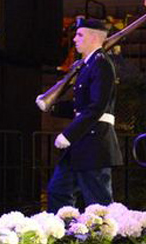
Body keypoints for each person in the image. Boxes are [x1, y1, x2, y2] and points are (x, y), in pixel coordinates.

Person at [46, 17, 122, 212]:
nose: (75, 39)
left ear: (94, 38)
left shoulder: (101, 64)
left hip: (94, 141)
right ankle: (67, 235)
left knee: (98, 201)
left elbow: (96, 107)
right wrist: (52, 107)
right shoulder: (87, 65)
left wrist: (68, 134)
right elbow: (81, 106)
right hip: (82, 141)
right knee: (58, 191)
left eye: (80, 35)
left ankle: (104, 241)